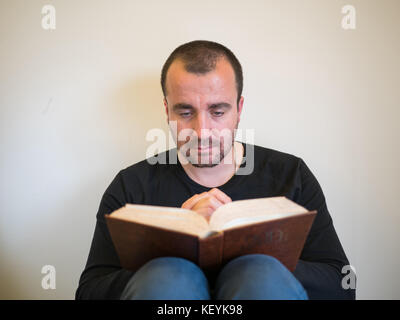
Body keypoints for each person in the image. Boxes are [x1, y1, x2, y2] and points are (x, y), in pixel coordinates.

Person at [75, 40, 356, 300]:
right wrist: (173, 248)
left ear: (239, 109)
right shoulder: (131, 187)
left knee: (260, 276)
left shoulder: (290, 175)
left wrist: (253, 251)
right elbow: (89, 292)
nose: (203, 131)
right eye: (185, 112)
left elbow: (343, 285)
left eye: (218, 112)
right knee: (168, 279)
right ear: (167, 110)